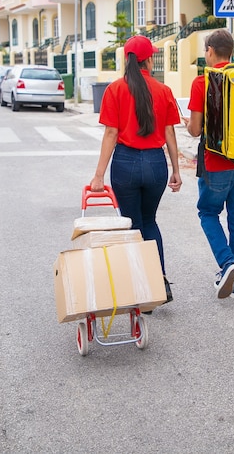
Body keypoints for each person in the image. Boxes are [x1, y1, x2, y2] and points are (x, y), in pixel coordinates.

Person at [90, 35, 182, 303]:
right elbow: (170, 134)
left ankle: (141, 289)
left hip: (126, 164)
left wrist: (98, 176)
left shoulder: (115, 89)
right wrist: (176, 169)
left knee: (133, 226)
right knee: (150, 221)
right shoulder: (163, 91)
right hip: (155, 164)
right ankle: (159, 281)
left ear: (127, 59)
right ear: (149, 60)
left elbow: (110, 133)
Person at [185, 29, 234, 300]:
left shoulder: (202, 82)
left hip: (216, 163)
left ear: (211, 51)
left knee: (208, 213)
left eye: (205, 51)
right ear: (232, 52)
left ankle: (228, 264)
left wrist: (188, 125)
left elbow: (195, 129)